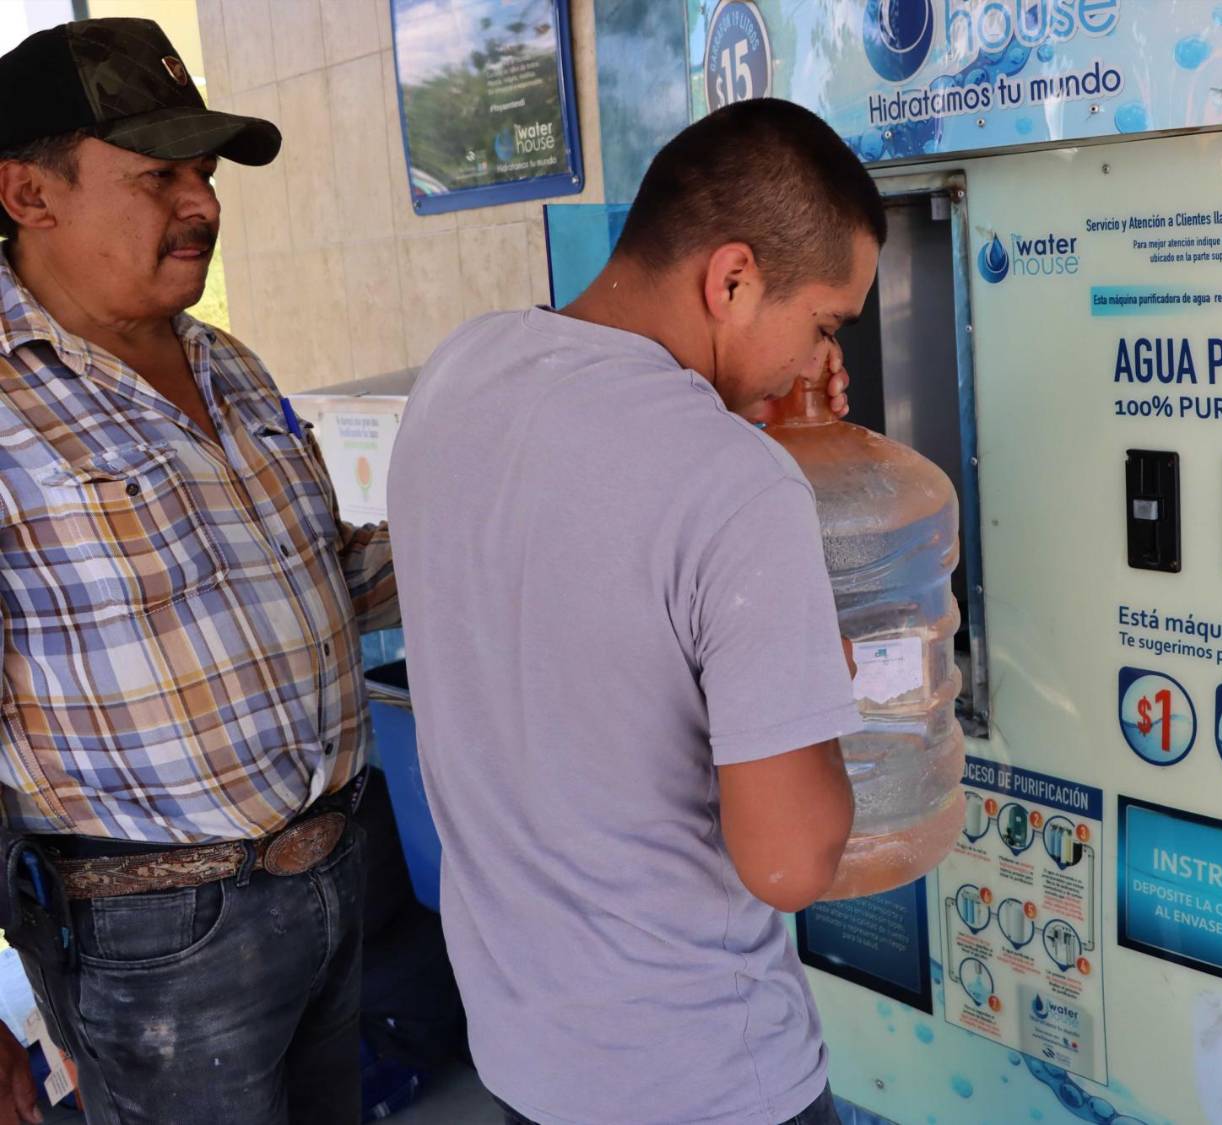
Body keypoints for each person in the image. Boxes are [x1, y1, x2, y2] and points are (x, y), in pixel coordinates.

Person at [388, 98, 882, 1125]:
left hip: (526, 1059)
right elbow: (789, 862)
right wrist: (816, 688)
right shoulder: (735, 489)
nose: (818, 361)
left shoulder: (459, 373)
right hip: (704, 1074)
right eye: (824, 324)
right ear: (733, 278)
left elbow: (603, 584)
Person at [0, 18, 398, 1125]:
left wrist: (499, 521)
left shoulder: (225, 360)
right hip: (153, 942)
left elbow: (322, 572)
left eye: (206, 173)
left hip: (328, 874)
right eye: (158, 175)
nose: (204, 203)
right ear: (30, 196)